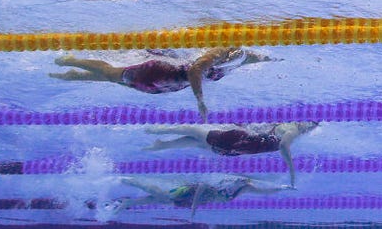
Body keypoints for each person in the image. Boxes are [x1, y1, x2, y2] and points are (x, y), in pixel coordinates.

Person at [50, 47, 273, 121]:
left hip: (169, 85)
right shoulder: (222, 52)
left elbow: (260, 57)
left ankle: (73, 74)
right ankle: (73, 60)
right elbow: (196, 68)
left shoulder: (241, 59)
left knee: (118, 80)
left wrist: (275, 59)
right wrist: (200, 100)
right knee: (112, 74)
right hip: (158, 74)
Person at [144, 122, 318, 187]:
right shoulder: (286, 129)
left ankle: (158, 130)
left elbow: (284, 145)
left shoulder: (294, 129)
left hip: (237, 141)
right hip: (234, 151)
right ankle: (162, 145)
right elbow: (263, 134)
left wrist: (292, 172)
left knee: (192, 130)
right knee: (198, 141)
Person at [108, 175, 289, 214]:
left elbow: (264, 191)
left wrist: (281, 187)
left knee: (154, 199)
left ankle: (125, 204)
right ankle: (128, 181)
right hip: (189, 193)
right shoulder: (221, 184)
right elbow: (201, 187)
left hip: (193, 202)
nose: (241, 182)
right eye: (240, 180)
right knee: (161, 195)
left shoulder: (242, 190)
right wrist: (194, 208)